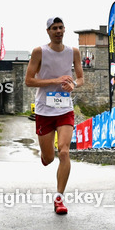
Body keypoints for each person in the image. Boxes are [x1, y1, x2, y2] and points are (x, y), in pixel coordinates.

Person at [24, 16, 84, 215]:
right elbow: (29, 81)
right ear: (48, 31)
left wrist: (73, 85)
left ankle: (59, 198)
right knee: (49, 158)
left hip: (65, 108)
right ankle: (45, 153)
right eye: (54, 28)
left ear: (65, 30)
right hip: (44, 109)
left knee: (64, 151)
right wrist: (55, 80)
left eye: (61, 27)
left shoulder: (73, 52)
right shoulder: (39, 52)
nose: (58, 31)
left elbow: (81, 78)